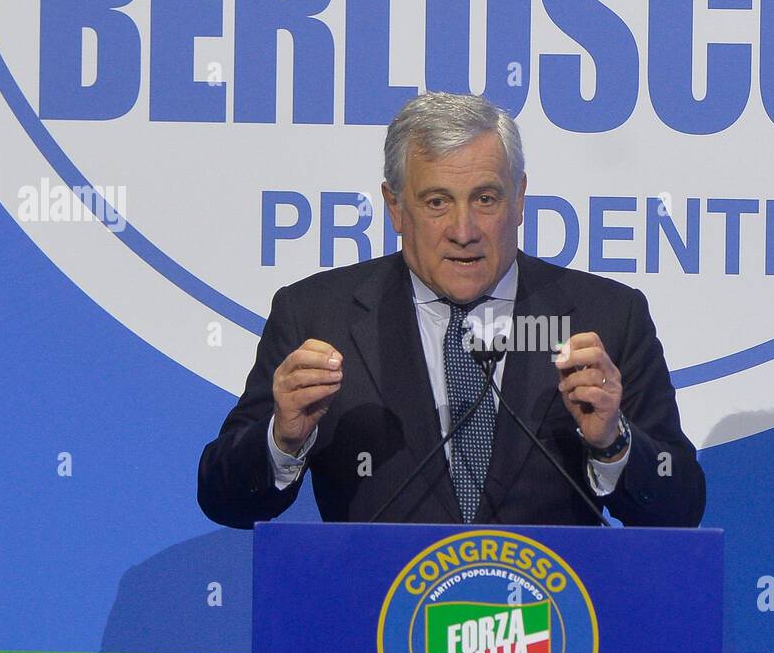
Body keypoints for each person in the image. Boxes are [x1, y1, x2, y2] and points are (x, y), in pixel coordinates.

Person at [197, 92, 704, 528]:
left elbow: (679, 507)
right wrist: (282, 439)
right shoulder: (317, 316)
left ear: (520, 197)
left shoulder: (607, 316)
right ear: (395, 207)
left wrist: (613, 443)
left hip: (552, 626)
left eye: (486, 199)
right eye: (437, 202)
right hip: (380, 623)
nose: (464, 230)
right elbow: (224, 500)